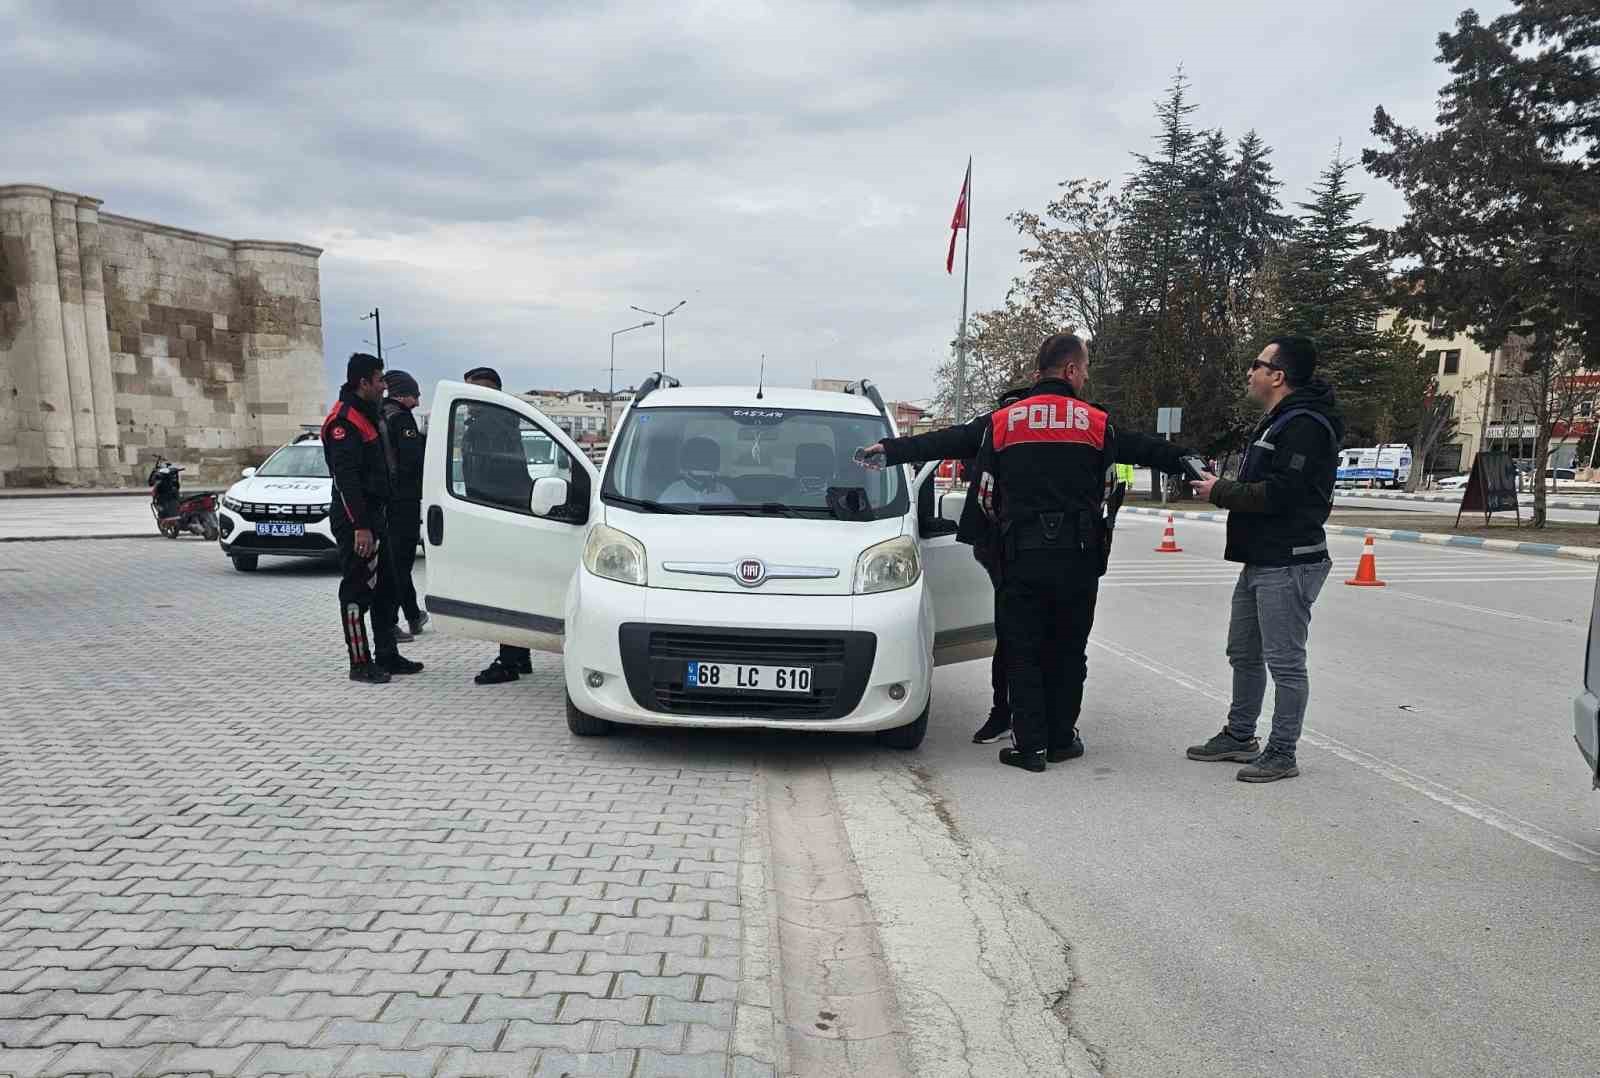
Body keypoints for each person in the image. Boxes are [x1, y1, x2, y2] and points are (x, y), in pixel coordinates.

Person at [862, 333, 1190, 773]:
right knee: (1069, 649)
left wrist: (891, 451)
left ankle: (1030, 746)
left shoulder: (1004, 420)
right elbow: (1142, 447)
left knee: (1023, 649)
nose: (1087, 375)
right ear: (1071, 370)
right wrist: (1186, 458)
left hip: (1020, 556)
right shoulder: (1095, 421)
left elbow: (948, 441)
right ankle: (1061, 739)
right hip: (1079, 556)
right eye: (1085, 367)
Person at [1189, 336, 1344, 782]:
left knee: (1285, 662)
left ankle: (1282, 751)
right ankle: (1240, 736)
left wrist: (1219, 491)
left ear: (1278, 376)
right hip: (1262, 558)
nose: (1250, 372)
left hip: (1290, 560)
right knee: (1243, 652)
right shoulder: (1278, 421)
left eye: (1257, 365)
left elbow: (1282, 494)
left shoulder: (1305, 426)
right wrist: (1223, 486)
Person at [323, 353, 424, 684]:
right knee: (356, 592)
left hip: (379, 515)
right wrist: (361, 527)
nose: (385, 386)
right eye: (380, 380)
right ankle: (360, 662)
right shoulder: (344, 421)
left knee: (388, 587)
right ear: (362, 382)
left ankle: (388, 655)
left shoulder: (371, 413)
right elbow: (346, 479)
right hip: (356, 520)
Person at [964, 384, 1031, 746]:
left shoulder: (1049, 436)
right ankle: (1004, 713)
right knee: (1010, 637)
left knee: (1035, 638)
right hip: (1000, 552)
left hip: (1041, 551)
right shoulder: (992, 428)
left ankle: (1035, 717)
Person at [461, 366, 536, 685]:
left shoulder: (488, 425)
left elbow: (489, 474)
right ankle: (519, 655)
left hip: (497, 512)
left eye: (475, 391)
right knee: (513, 588)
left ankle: (508, 661)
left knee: (504, 591)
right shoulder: (504, 420)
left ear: (490, 390)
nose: (469, 400)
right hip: (510, 510)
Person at [381, 370, 428, 640]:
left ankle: (411, 614)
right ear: (402, 393)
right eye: (416, 395)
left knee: (395, 562)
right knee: (401, 563)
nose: (418, 402)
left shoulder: (380, 414)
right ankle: (399, 618)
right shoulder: (401, 418)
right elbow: (412, 461)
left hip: (386, 501)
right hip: (404, 501)